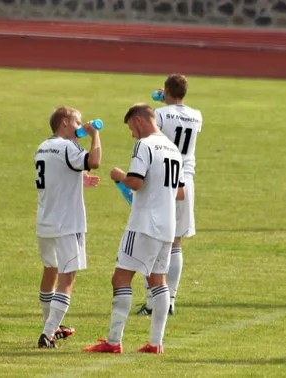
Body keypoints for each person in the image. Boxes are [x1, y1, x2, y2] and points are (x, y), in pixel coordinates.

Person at [82, 103, 185, 355]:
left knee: (120, 278)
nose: (132, 134)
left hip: (143, 223)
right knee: (158, 281)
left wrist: (119, 176)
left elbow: (136, 182)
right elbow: (180, 192)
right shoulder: (173, 148)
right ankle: (155, 343)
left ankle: (114, 341)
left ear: (139, 121)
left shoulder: (144, 145)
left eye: (131, 128)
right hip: (167, 225)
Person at [35, 106, 102, 348]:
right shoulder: (68, 147)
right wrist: (95, 135)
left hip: (45, 223)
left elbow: (57, 174)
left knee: (49, 272)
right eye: (77, 121)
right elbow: (94, 161)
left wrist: (79, 178)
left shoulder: (43, 146)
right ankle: (48, 333)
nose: (80, 126)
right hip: (67, 224)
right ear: (65, 122)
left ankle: (50, 324)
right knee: (67, 278)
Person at [137, 73, 202, 316]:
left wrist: (159, 102)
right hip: (186, 178)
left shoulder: (160, 114)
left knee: (151, 238)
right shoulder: (197, 115)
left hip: (161, 179)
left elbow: (150, 135)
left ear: (165, 90)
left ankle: (152, 302)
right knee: (176, 242)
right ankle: (170, 300)